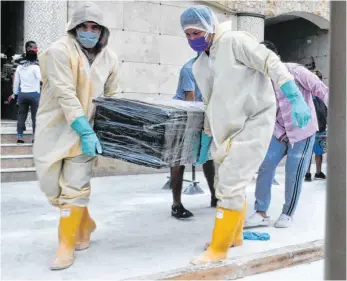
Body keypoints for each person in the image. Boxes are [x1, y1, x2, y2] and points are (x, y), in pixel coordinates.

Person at [180, 6, 311, 264]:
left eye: (197, 32)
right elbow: (211, 102)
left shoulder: (234, 41)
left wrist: (295, 96)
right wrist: (207, 137)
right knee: (226, 184)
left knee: (229, 185)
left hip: (253, 122)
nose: (193, 38)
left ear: (210, 26)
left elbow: (270, 62)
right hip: (225, 131)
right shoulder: (200, 65)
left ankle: (218, 248)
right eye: (188, 34)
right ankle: (235, 235)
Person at [33, 2, 119, 270]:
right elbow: (65, 93)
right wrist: (82, 127)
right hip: (56, 128)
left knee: (76, 188)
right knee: (51, 187)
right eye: (84, 27)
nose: (89, 32)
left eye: (95, 27)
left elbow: (112, 96)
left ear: (102, 30)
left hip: (88, 134)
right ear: (74, 28)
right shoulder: (58, 52)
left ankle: (65, 246)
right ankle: (85, 222)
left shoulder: (110, 58)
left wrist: (106, 130)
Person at [246, 41, 329, 229]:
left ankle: (287, 213)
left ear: (273, 58)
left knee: (294, 171)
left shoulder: (296, 71)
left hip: (302, 131)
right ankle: (260, 212)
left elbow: (322, 91)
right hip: (278, 131)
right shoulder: (260, 80)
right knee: (266, 165)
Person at [171, 55, 217, 219]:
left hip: (203, 115)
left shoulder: (214, 67)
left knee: (208, 156)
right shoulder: (189, 69)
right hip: (184, 116)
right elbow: (190, 101)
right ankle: (176, 204)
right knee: (179, 159)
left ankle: (214, 196)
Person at [9, 49, 41, 143]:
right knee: (35, 117)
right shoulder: (35, 67)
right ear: (35, 58)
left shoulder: (19, 67)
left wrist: (15, 93)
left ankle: (20, 137)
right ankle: (35, 138)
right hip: (34, 95)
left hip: (22, 95)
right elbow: (41, 79)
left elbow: (16, 82)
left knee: (21, 115)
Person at [305, 71, 328, 181]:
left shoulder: (323, 93)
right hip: (309, 129)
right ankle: (307, 173)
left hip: (322, 128)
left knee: (319, 152)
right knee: (308, 152)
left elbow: (327, 110)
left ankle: (318, 172)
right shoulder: (307, 92)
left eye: (319, 78)